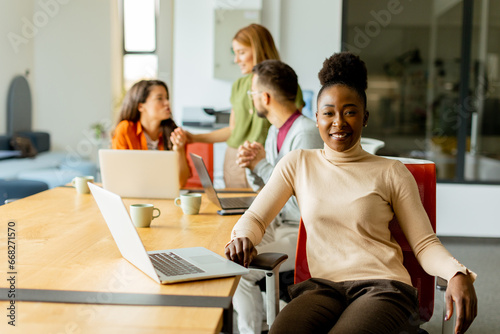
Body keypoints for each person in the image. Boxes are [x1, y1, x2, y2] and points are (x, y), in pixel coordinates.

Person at [225, 52, 478, 334]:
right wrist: (243, 236)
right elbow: (256, 217)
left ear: (365, 117)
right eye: (329, 112)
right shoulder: (298, 163)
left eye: (350, 111)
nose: (339, 122)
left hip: (383, 287)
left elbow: (424, 243)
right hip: (322, 288)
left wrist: (457, 272)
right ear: (317, 117)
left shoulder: (391, 171)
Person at [233, 60, 323, 334]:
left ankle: (255, 329)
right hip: (280, 223)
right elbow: (268, 192)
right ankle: (259, 324)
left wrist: (261, 164)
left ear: (265, 97)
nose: (252, 100)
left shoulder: (305, 134)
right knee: (231, 254)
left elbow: (301, 203)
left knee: (239, 272)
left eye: (252, 94)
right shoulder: (275, 131)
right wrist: (252, 166)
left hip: (304, 231)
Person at [172, 23, 305, 188]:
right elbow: (232, 130)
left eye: (241, 53)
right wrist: (193, 138)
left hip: (266, 159)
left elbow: (292, 127)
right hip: (235, 159)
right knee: (234, 208)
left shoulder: (285, 85)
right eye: (235, 53)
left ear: (258, 50)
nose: (236, 60)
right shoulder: (238, 86)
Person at [112, 79, 190, 187]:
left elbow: (180, 183)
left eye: (167, 98)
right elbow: (119, 174)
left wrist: (179, 150)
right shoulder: (125, 129)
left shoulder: (173, 133)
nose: (167, 102)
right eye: (159, 98)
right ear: (141, 106)